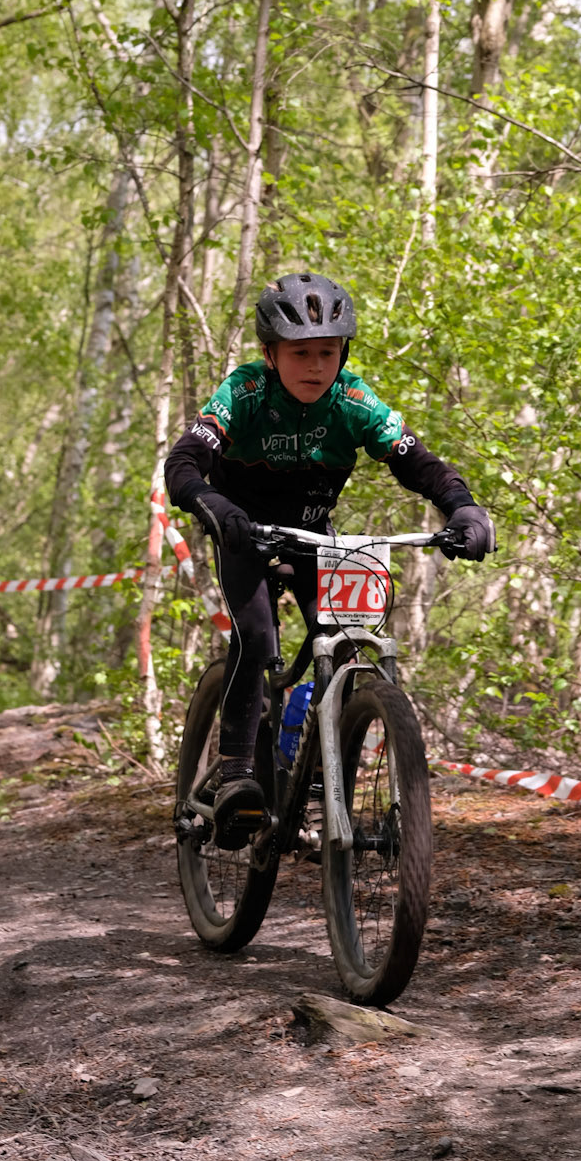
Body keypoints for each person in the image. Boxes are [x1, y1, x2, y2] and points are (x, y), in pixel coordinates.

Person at [164, 271, 494, 845]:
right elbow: (183, 463)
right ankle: (236, 772)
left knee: (342, 642)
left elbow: (418, 463)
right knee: (257, 638)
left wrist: (462, 507)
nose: (316, 366)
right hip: (244, 534)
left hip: (312, 536)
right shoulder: (244, 392)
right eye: (300, 353)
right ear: (270, 353)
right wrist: (211, 502)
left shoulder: (354, 402)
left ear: (344, 352)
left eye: (328, 352)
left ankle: (319, 789)